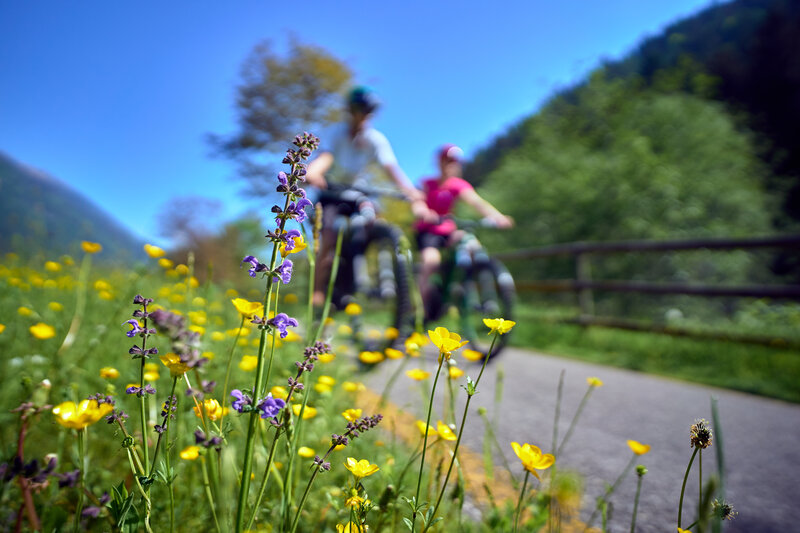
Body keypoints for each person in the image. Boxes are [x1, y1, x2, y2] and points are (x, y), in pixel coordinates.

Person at [305, 86, 425, 307]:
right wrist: (313, 172)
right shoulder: (336, 133)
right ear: (352, 110)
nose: (366, 115)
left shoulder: (375, 139)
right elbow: (326, 157)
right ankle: (318, 292)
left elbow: (391, 169)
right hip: (331, 192)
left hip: (357, 192)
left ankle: (377, 274)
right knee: (328, 236)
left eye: (370, 110)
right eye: (362, 109)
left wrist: (411, 193)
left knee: (374, 218)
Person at [412, 144, 513, 316]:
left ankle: (477, 292)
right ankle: (416, 310)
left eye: (455, 162)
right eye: (448, 161)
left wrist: (498, 217)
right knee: (431, 262)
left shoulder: (458, 185)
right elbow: (417, 201)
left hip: (448, 230)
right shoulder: (428, 183)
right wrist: (424, 212)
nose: (452, 165)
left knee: (471, 242)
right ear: (440, 162)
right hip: (428, 231)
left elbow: (477, 202)